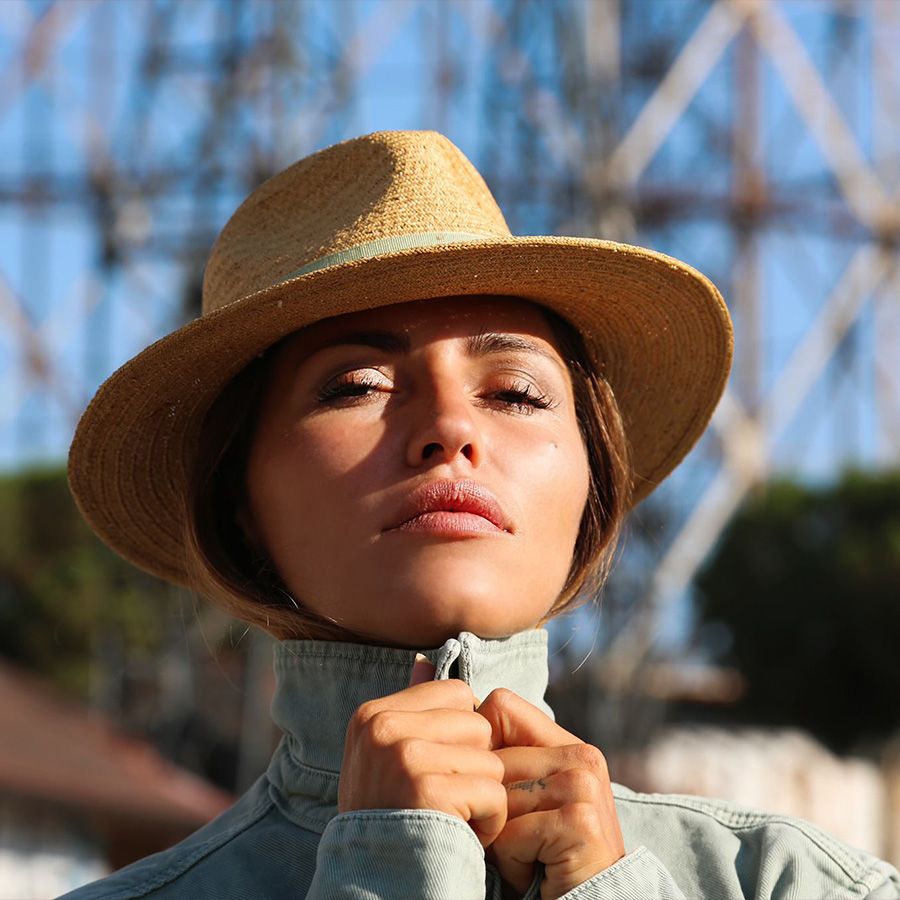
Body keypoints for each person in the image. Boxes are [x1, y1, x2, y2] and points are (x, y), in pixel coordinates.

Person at [62, 130, 899, 899]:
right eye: (356, 386)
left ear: (594, 481)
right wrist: (386, 871)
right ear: (238, 499)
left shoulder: (797, 883)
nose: (449, 429)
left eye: (516, 393)